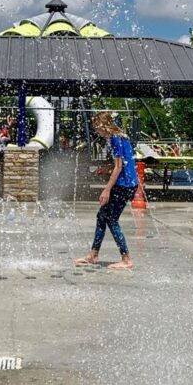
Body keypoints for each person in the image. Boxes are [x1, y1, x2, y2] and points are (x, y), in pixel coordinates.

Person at [75, 111, 138, 271]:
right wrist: (107, 167)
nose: (97, 131)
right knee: (102, 216)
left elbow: (119, 167)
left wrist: (106, 190)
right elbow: (122, 164)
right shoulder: (120, 136)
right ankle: (93, 254)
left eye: (97, 128)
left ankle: (126, 259)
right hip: (128, 183)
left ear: (104, 125)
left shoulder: (115, 138)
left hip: (124, 185)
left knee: (111, 219)